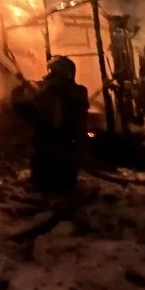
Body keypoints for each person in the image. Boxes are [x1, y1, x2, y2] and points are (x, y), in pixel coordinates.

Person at [11, 56, 89, 192]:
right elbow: (23, 109)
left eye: (52, 73)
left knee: (63, 188)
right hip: (44, 156)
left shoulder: (78, 92)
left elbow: (77, 112)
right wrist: (22, 92)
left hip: (66, 156)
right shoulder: (45, 96)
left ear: (66, 75)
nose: (47, 76)